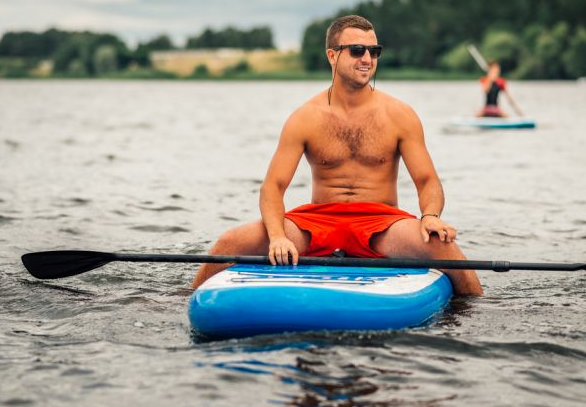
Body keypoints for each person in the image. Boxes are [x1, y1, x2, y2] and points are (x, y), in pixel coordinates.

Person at [191, 15, 483, 296]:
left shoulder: (400, 115)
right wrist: (278, 237)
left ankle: (477, 319)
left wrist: (430, 215)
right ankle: (186, 302)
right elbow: (273, 187)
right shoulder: (305, 117)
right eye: (357, 50)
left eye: (374, 51)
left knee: (445, 248)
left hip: (381, 223)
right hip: (317, 222)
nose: (367, 59)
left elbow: (427, 180)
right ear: (332, 55)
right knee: (229, 243)